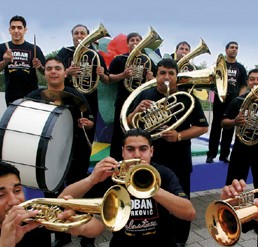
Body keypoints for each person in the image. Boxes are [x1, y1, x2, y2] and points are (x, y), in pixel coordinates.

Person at [59, 128, 196, 247]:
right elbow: (61, 201)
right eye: (130, 149)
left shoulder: (163, 174)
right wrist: (91, 179)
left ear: (151, 151)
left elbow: (189, 213)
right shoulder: (111, 175)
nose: (137, 155)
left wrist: (151, 188)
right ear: (123, 152)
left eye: (143, 149)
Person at [127, 58, 208, 246]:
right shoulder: (145, 95)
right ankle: (153, 233)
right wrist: (137, 110)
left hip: (179, 157)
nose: (166, 77)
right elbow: (130, 123)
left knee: (181, 198)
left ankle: (180, 238)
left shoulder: (187, 97)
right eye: (162, 72)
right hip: (151, 159)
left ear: (176, 77)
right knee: (152, 198)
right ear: (156, 75)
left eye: (171, 74)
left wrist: (179, 135)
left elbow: (202, 127)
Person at [27, 57, 94, 247]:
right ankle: (61, 235)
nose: (53, 72)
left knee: (81, 193)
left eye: (58, 68)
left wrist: (88, 124)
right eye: (49, 69)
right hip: (47, 154)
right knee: (52, 194)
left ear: (66, 72)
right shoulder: (34, 96)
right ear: (45, 72)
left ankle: (87, 236)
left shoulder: (77, 95)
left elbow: (90, 121)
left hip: (76, 152)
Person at [221, 69, 258, 188]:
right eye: (252, 79)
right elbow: (223, 123)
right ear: (248, 82)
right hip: (240, 149)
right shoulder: (238, 101)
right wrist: (235, 121)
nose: (255, 82)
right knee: (233, 186)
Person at [56, 24, 110, 146]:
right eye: (76, 33)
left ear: (88, 36)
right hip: (67, 98)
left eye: (82, 33)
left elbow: (107, 80)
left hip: (89, 101)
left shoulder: (95, 55)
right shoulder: (65, 52)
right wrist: (67, 72)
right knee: (64, 134)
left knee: (86, 136)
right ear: (72, 36)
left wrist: (102, 75)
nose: (79, 36)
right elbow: (52, 75)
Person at [108, 32, 156, 161]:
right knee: (118, 134)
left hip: (141, 102)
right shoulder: (120, 59)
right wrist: (123, 75)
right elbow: (109, 78)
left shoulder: (148, 60)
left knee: (141, 134)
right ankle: (115, 163)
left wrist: (150, 80)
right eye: (132, 40)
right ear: (127, 43)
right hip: (123, 102)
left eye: (138, 40)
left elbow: (156, 81)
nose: (135, 42)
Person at [206, 41, 247, 163]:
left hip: (233, 101)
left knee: (229, 128)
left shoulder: (241, 68)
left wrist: (240, 99)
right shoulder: (219, 65)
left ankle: (224, 155)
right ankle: (211, 154)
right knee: (215, 128)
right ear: (226, 50)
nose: (234, 50)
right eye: (232, 47)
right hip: (220, 99)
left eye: (236, 48)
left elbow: (243, 86)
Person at [0, 15, 46, 106]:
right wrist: (5, 61)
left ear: (25, 30)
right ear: (9, 30)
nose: (16, 31)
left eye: (19, 28)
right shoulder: (2, 47)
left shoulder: (34, 48)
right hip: (11, 95)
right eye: (13, 28)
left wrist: (40, 67)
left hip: (32, 95)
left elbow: (45, 72)